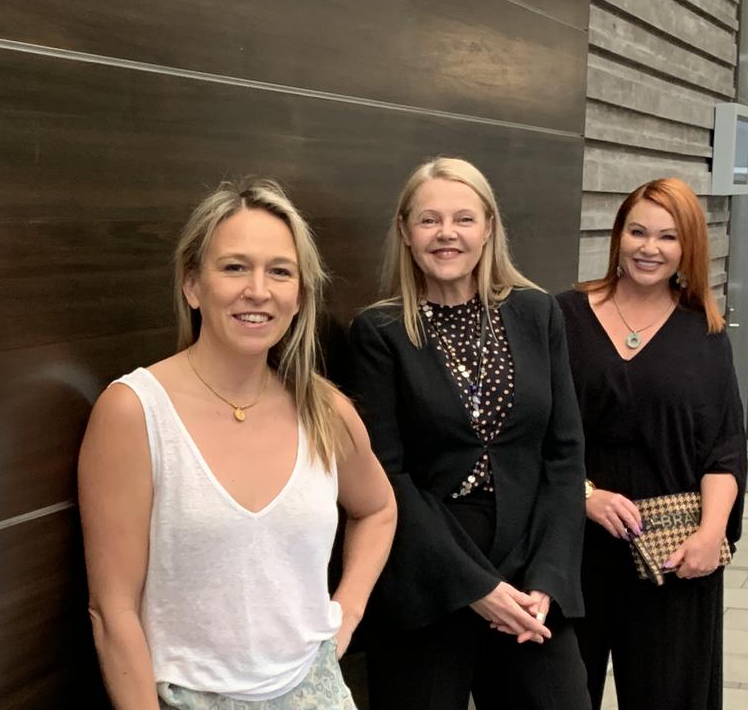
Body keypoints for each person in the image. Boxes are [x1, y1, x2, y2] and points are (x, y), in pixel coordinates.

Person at [78, 178, 396, 710]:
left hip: (316, 691)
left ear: (299, 295)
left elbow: (379, 508)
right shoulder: (134, 411)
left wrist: (347, 611)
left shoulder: (324, 409)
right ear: (192, 285)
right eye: (234, 267)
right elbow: (113, 612)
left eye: (279, 271)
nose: (258, 290)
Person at [347, 157, 590, 710]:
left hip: (530, 565)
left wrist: (547, 580)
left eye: (463, 218)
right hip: (428, 568)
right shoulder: (379, 332)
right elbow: (386, 475)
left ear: (488, 229)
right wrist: (475, 588)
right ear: (406, 233)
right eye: (429, 220)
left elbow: (564, 453)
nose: (447, 233)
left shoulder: (538, 313)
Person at [556, 178, 745, 710]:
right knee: (558, 693)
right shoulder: (561, 317)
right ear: (618, 236)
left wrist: (711, 535)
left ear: (687, 248)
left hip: (672, 554)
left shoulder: (704, 332)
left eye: (667, 237)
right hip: (573, 548)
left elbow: (725, 448)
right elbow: (533, 430)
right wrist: (583, 494)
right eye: (637, 232)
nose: (649, 248)